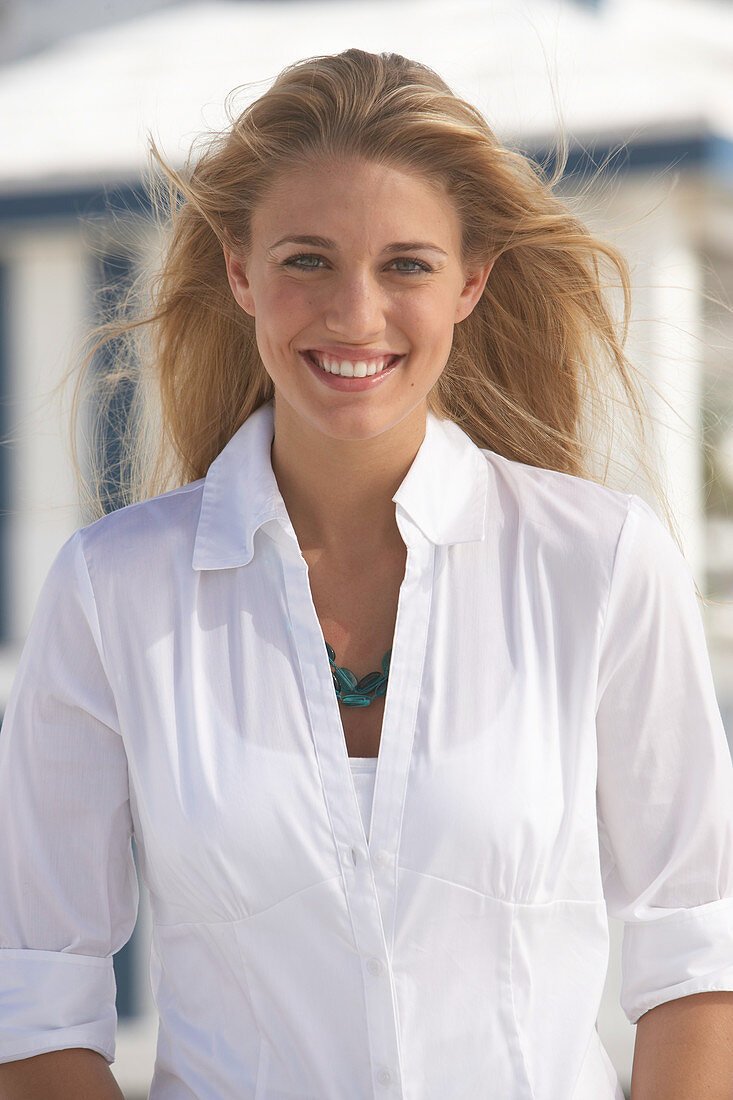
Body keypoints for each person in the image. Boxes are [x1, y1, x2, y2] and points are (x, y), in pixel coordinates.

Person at [1, 46, 732, 1100]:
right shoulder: (112, 592)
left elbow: (698, 957)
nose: (354, 312)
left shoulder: (601, 563)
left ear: (470, 280)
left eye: (406, 264)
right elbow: (35, 997)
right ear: (240, 271)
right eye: (306, 259)